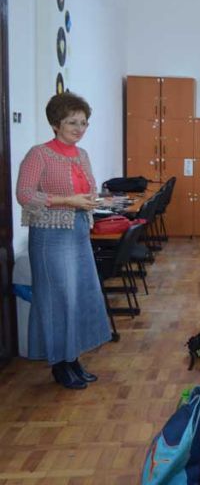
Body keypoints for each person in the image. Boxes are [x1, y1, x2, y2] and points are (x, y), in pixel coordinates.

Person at [15, 92, 112, 389]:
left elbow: (85, 191)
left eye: (83, 123)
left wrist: (93, 200)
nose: (79, 128)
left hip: (78, 232)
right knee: (58, 299)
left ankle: (73, 358)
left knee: (80, 296)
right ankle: (59, 363)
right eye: (72, 122)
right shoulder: (39, 154)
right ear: (56, 124)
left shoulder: (82, 155)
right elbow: (24, 195)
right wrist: (67, 200)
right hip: (51, 236)